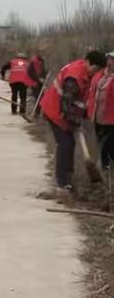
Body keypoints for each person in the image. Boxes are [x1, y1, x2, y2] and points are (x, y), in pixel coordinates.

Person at [41, 50, 106, 193]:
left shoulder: (85, 72)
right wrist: (76, 122)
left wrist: (81, 118)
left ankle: (68, 178)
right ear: (88, 62)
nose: (95, 73)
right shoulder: (74, 77)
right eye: (94, 69)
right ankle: (62, 183)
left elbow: (79, 101)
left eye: (98, 71)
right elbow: (67, 105)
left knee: (70, 143)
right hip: (54, 110)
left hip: (62, 110)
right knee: (65, 144)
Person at [87, 52, 114, 170]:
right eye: (109, 59)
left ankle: (109, 171)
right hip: (97, 117)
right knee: (101, 145)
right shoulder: (99, 75)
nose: (110, 61)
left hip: (112, 119)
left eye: (112, 59)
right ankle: (105, 169)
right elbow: (91, 92)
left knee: (111, 146)